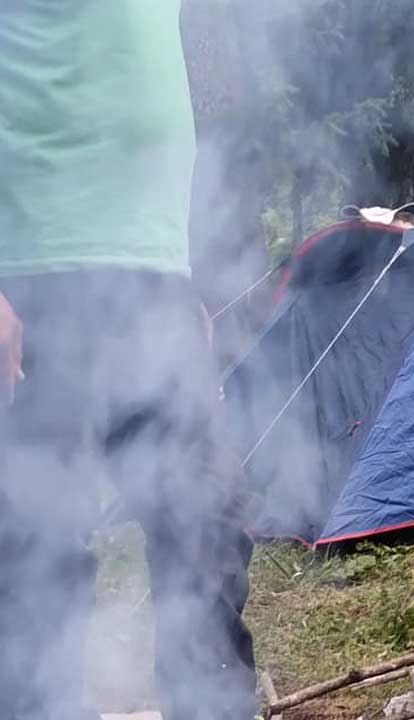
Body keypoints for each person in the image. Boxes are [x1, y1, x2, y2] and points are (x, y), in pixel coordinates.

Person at [0, 2, 258, 718]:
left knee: (205, 532)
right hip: (30, 279)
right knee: (34, 552)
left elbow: (142, 90)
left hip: (154, 281)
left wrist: (185, 275)